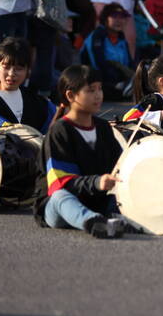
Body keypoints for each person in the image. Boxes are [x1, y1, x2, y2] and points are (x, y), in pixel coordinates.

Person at [36, 64, 128, 239]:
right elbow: (60, 181)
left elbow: (119, 166)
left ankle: (118, 220)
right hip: (59, 207)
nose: (98, 95)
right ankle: (94, 222)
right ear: (71, 95)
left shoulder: (102, 127)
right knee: (60, 196)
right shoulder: (59, 130)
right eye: (91, 90)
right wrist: (97, 182)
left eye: (100, 89)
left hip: (96, 199)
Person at [0, 37, 55, 137]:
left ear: (28, 70)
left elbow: (52, 130)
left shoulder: (36, 101)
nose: (11, 74)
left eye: (19, 69)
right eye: (6, 67)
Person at [81, 3, 134, 100]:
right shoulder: (97, 36)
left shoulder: (121, 38)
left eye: (122, 17)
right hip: (99, 83)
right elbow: (97, 64)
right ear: (105, 19)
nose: (119, 21)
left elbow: (130, 64)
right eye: (114, 16)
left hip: (120, 83)